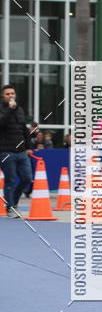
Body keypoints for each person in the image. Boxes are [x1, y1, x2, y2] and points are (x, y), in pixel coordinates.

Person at [0, 84, 34, 216]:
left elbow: (24, 130)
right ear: (3, 96)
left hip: (21, 151)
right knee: (11, 179)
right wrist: (9, 110)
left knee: (27, 178)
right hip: (6, 151)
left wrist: (29, 147)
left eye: (12, 93)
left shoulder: (19, 109)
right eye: (7, 94)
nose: (10, 96)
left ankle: (13, 201)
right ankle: (11, 207)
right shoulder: (3, 109)